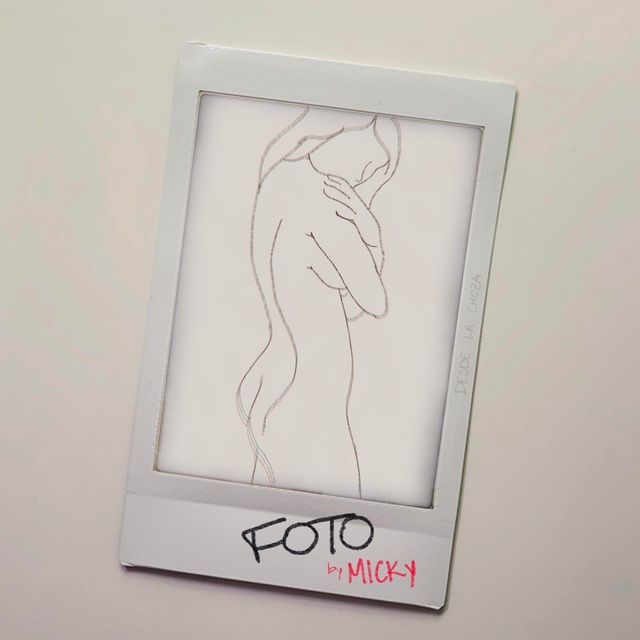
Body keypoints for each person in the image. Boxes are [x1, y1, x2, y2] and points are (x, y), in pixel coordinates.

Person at [236, 106, 401, 498]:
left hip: (278, 376)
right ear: (347, 130)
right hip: (311, 393)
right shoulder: (329, 204)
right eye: (375, 159)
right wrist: (372, 235)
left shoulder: (279, 176)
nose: (371, 173)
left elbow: (344, 307)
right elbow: (375, 300)